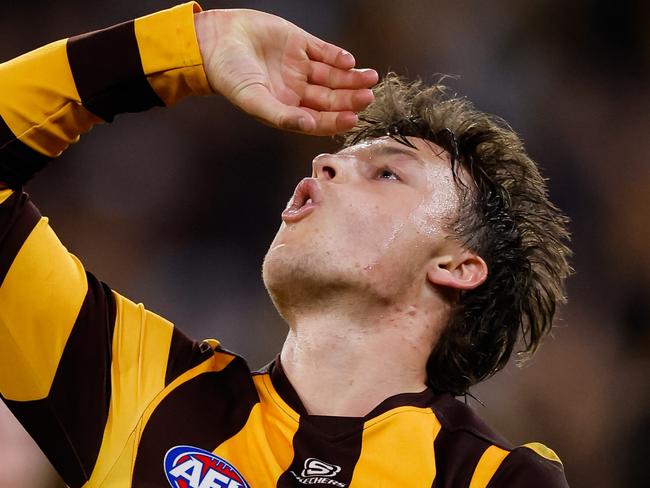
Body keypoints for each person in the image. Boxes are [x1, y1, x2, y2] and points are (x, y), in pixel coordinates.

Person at [0, 2, 571, 487]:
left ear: (457, 266)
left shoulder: (494, 477)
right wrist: (193, 45)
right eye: (332, 158)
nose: (322, 163)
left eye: (387, 173)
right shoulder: (146, 393)